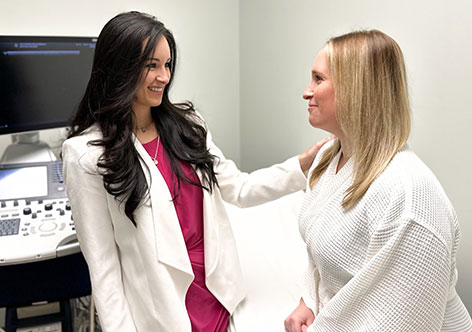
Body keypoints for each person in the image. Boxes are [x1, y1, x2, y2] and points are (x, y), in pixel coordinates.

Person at [62, 11, 328, 332]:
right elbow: (104, 265)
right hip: (164, 309)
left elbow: (239, 189)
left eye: (168, 64)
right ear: (120, 66)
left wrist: (304, 163)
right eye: (152, 66)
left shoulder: (188, 126)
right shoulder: (86, 154)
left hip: (218, 293)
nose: (164, 76)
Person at [284, 30, 472, 332]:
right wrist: (309, 300)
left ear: (355, 89)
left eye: (319, 79)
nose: (306, 92)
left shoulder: (410, 198)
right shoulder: (327, 159)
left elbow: (402, 322)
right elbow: (317, 250)